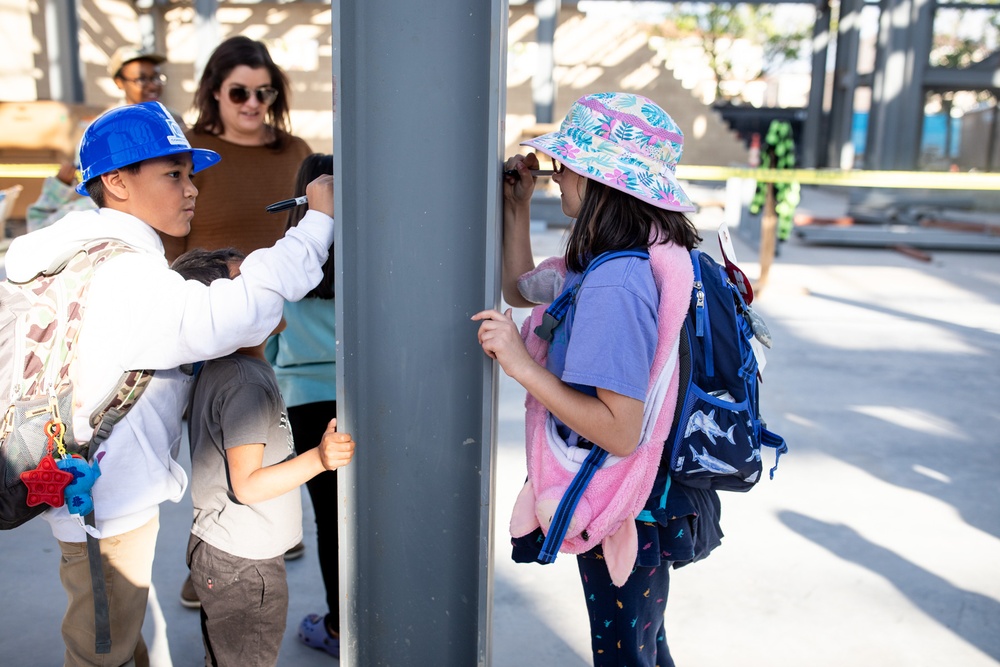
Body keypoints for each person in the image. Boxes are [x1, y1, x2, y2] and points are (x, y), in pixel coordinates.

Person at [2, 100, 336, 667]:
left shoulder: (78, 251)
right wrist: (319, 223)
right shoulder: (126, 275)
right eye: (173, 174)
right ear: (116, 182)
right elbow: (237, 314)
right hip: (105, 501)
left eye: (190, 174)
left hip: (88, 489)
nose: (192, 190)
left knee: (119, 634)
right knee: (99, 648)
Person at [473, 92, 721, 667]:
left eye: (567, 166)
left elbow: (620, 431)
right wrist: (517, 207)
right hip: (648, 503)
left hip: (627, 507)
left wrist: (522, 364)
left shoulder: (614, 286)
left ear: (600, 181)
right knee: (641, 648)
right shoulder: (616, 262)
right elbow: (522, 289)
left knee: (622, 657)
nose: (558, 176)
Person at [170, 247, 355, 667]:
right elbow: (248, 484)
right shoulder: (245, 385)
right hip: (245, 566)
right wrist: (320, 459)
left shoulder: (223, 367)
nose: (269, 292)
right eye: (250, 288)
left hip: (229, 553)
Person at [264, 154, 342, 658]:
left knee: (331, 523)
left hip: (306, 409)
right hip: (365, 399)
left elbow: (268, 349)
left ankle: (338, 627)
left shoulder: (286, 263)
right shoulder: (376, 261)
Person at [160, 35, 312, 263]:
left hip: (296, 295)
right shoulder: (186, 153)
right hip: (209, 295)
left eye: (263, 93)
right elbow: (166, 248)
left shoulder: (298, 152)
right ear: (216, 91)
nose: (252, 103)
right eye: (239, 93)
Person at [26, 45, 184, 232]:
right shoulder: (103, 129)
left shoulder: (173, 121)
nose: (153, 84)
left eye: (157, 77)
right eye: (142, 78)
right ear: (119, 82)